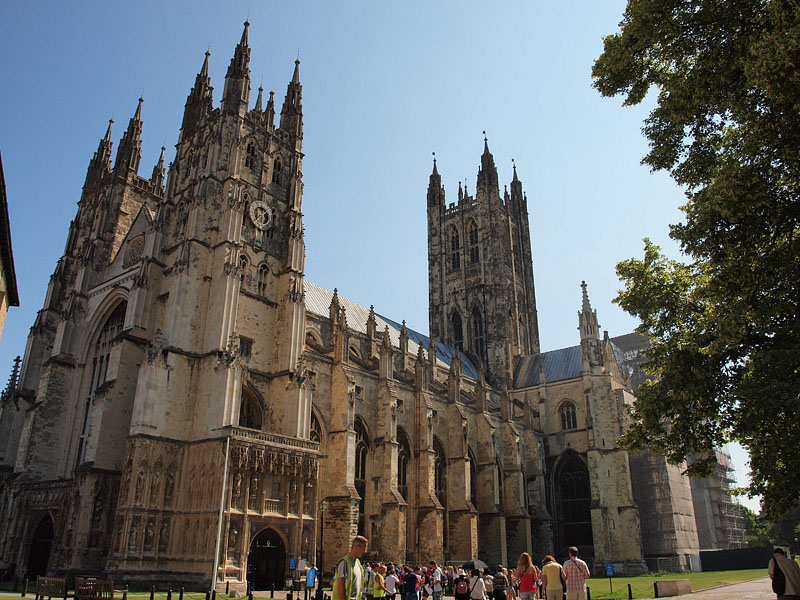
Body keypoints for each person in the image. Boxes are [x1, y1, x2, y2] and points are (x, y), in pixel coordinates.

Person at [334, 536, 369, 600]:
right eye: (363, 549)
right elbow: (340, 585)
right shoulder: (344, 563)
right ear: (357, 547)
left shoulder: (358, 563)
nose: (365, 552)